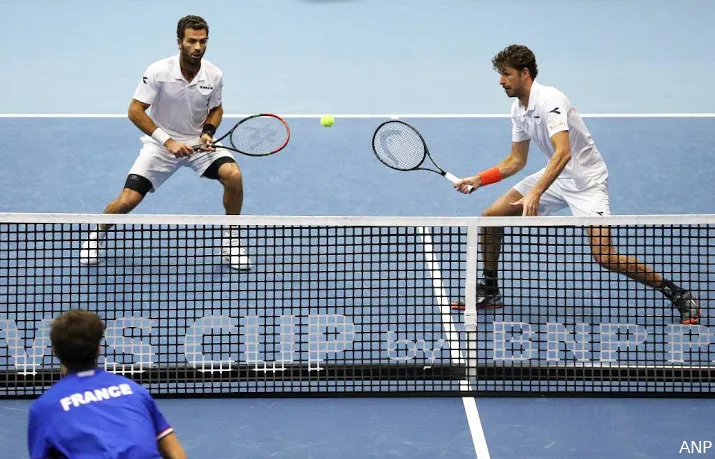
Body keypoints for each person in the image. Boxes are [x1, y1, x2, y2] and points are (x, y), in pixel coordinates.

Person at [450, 44, 701, 325]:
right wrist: (480, 179)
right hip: (557, 175)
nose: (500, 81)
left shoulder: (550, 100)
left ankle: (677, 293)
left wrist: (536, 192)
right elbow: (516, 161)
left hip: (587, 181)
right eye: (500, 75)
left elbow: (564, 151)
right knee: (490, 218)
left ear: (524, 73)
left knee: (604, 255)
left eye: (506, 74)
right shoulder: (517, 109)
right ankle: (490, 290)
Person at [80, 14, 249, 270]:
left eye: (203, 42)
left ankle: (232, 239)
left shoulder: (214, 74)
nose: (198, 47)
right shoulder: (158, 71)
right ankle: (96, 235)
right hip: (160, 145)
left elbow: (216, 109)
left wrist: (208, 132)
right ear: (179, 42)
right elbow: (135, 111)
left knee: (233, 175)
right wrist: (167, 141)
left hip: (198, 145)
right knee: (127, 201)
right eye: (192, 41)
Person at [27, 309, 187, 459]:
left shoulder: (44, 408)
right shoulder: (135, 391)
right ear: (99, 349)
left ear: (54, 350)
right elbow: (173, 451)